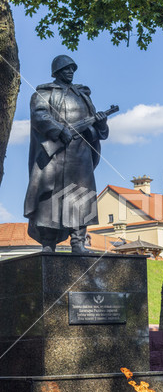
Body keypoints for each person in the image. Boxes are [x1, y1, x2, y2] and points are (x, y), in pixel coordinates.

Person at [24, 55, 109, 253]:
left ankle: (78, 242)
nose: (70, 72)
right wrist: (59, 130)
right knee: (49, 197)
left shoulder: (83, 95)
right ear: (56, 72)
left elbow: (95, 126)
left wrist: (101, 122)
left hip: (80, 154)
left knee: (80, 196)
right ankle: (48, 243)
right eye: (66, 69)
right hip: (54, 155)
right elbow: (39, 115)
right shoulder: (44, 92)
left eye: (72, 69)